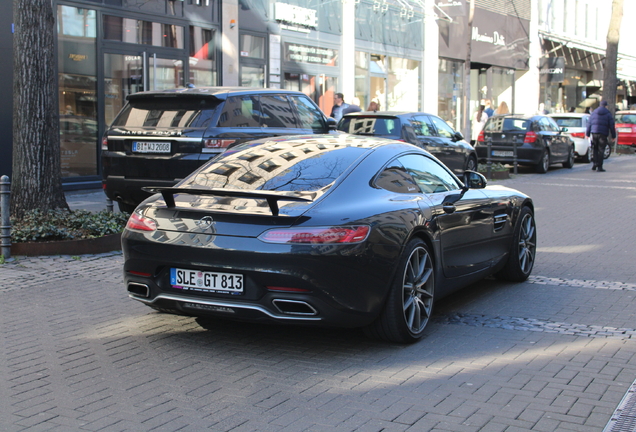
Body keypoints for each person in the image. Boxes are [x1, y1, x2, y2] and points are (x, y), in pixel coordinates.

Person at [585, 100, 616, 172]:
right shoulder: (608, 114)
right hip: (603, 133)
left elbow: (589, 124)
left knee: (595, 149)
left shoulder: (593, 113)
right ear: (606, 106)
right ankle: (599, 166)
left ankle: (594, 164)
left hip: (594, 133)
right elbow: (611, 125)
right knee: (601, 150)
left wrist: (587, 134)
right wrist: (613, 136)